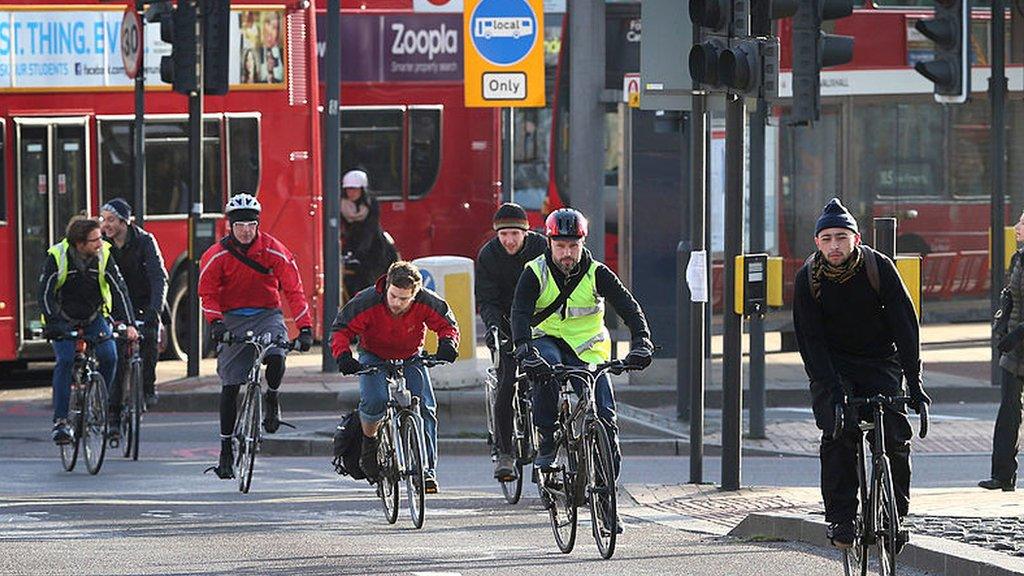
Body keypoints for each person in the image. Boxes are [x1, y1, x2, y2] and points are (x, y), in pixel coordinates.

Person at [793, 198, 931, 549]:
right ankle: (841, 518)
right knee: (839, 432)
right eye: (827, 239)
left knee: (895, 437)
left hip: (880, 360)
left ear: (856, 238)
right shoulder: (808, 278)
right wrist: (831, 388)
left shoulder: (877, 266)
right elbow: (810, 341)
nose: (834, 245)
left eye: (841, 237)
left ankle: (894, 515)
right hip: (832, 365)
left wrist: (914, 381)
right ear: (817, 243)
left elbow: (905, 323)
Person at [510, 208, 653, 488]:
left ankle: (605, 491)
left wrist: (641, 341)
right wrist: (524, 348)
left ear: (582, 243)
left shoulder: (597, 273)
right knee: (546, 370)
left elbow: (629, 309)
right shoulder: (534, 272)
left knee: (605, 414)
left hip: (588, 348)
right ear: (549, 242)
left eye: (573, 246)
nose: (567, 253)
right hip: (546, 340)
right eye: (560, 245)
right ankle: (547, 440)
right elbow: (520, 313)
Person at [198, 193, 314, 479]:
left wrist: (306, 328)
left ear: (258, 224)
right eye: (240, 225)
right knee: (230, 385)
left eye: (251, 224)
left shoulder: (274, 250)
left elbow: (294, 290)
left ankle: (271, 397)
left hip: (267, 314)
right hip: (232, 318)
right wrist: (216, 324)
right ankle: (226, 449)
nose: (246, 230)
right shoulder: (216, 256)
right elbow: (207, 293)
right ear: (230, 226)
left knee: (277, 355)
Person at [330, 261, 459, 494]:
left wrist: (448, 344)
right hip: (373, 355)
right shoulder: (366, 301)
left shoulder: (426, 301)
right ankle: (369, 444)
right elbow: (341, 329)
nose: (397, 303)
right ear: (386, 286)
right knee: (375, 400)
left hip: (410, 356)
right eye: (393, 296)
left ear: (415, 294)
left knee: (426, 407)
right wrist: (344, 356)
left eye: (404, 299)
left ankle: (427, 471)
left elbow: (447, 325)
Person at [40, 216, 137, 444]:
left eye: (100, 238)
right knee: (64, 361)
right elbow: (44, 294)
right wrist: (54, 325)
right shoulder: (57, 256)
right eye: (94, 240)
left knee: (110, 355)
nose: (100, 243)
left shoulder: (104, 254)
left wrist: (129, 323)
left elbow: (119, 289)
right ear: (79, 244)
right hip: (63, 319)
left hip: (94, 316)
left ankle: (96, 401)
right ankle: (61, 422)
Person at [474, 202, 546, 480]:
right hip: (504, 327)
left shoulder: (541, 248)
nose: (509, 240)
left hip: (538, 325)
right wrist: (494, 328)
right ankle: (505, 452)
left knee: (543, 379)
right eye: (504, 234)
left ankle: (545, 440)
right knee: (507, 384)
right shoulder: (489, 256)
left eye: (515, 234)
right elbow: (487, 300)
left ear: (525, 233)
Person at [100, 198, 168, 419]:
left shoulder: (145, 241)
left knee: (149, 339)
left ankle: (148, 387)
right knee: (118, 353)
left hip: (143, 302)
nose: (105, 225)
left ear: (124, 222)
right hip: (117, 305)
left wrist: (155, 311)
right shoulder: (100, 243)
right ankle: (114, 412)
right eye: (103, 219)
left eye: (111, 220)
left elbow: (159, 278)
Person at [981, 209, 1024, 492]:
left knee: (1010, 407)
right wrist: (1004, 328)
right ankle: (1003, 475)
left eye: (1023, 222)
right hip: (1016, 347)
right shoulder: (1018, 257)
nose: (1017, 226)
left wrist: (1015, 335)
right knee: (1008, 408)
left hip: (1018, 341)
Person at [340, 169, 398, 297]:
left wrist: (360, 252)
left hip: (375, 249)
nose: (351, 193)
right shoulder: (342, 206)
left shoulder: (372, 205)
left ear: (362, 190)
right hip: (352, 246)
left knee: (371, 281)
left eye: (355, 189)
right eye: (348, 189)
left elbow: (370, 230)